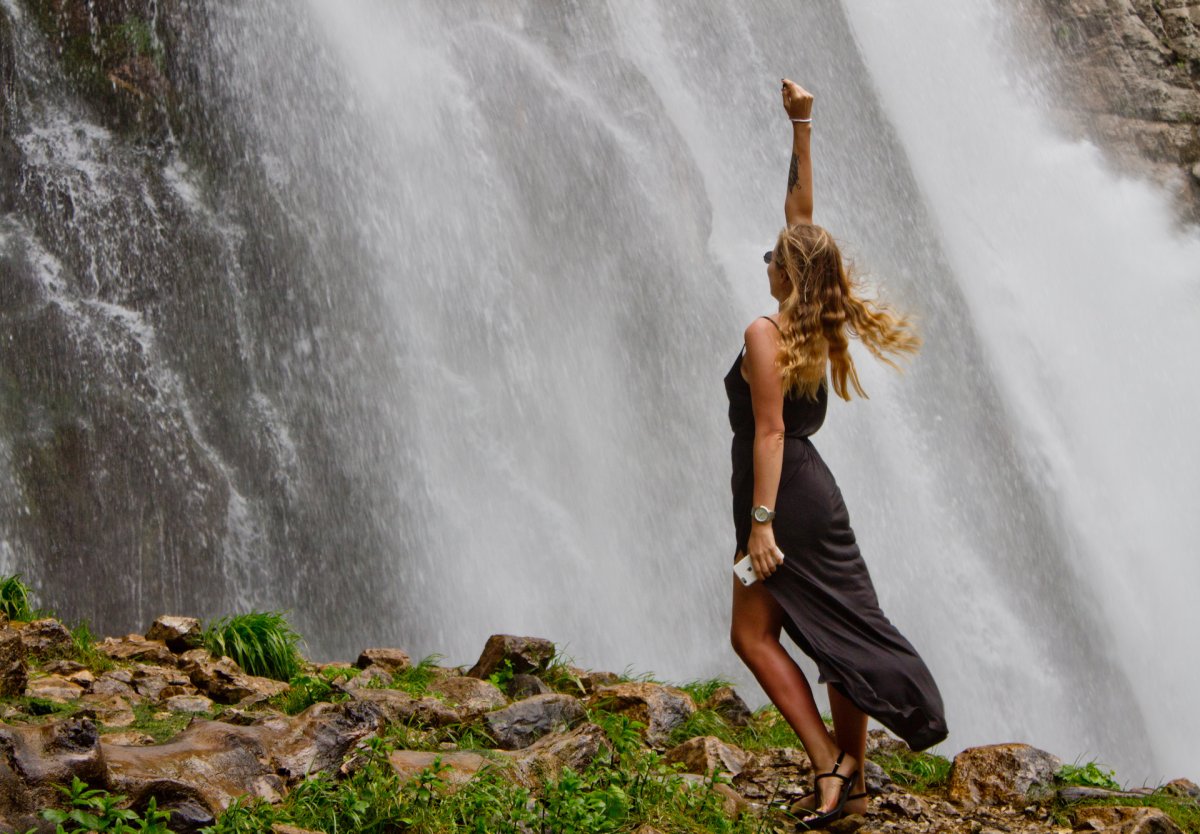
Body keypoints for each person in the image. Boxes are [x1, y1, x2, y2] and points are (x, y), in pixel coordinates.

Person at [726, 78, 948, 830]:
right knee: (839, 631)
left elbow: (768, 432)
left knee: (753, 636)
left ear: (786, 273)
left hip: (778, 491)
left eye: (771, 257)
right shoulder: (815, 322)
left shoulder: (766, 332)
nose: (766, 260)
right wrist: (802, 123)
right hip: (815, 493)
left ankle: (828, 764)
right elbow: (802, 221)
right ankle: (850, 793)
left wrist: (759, 524)